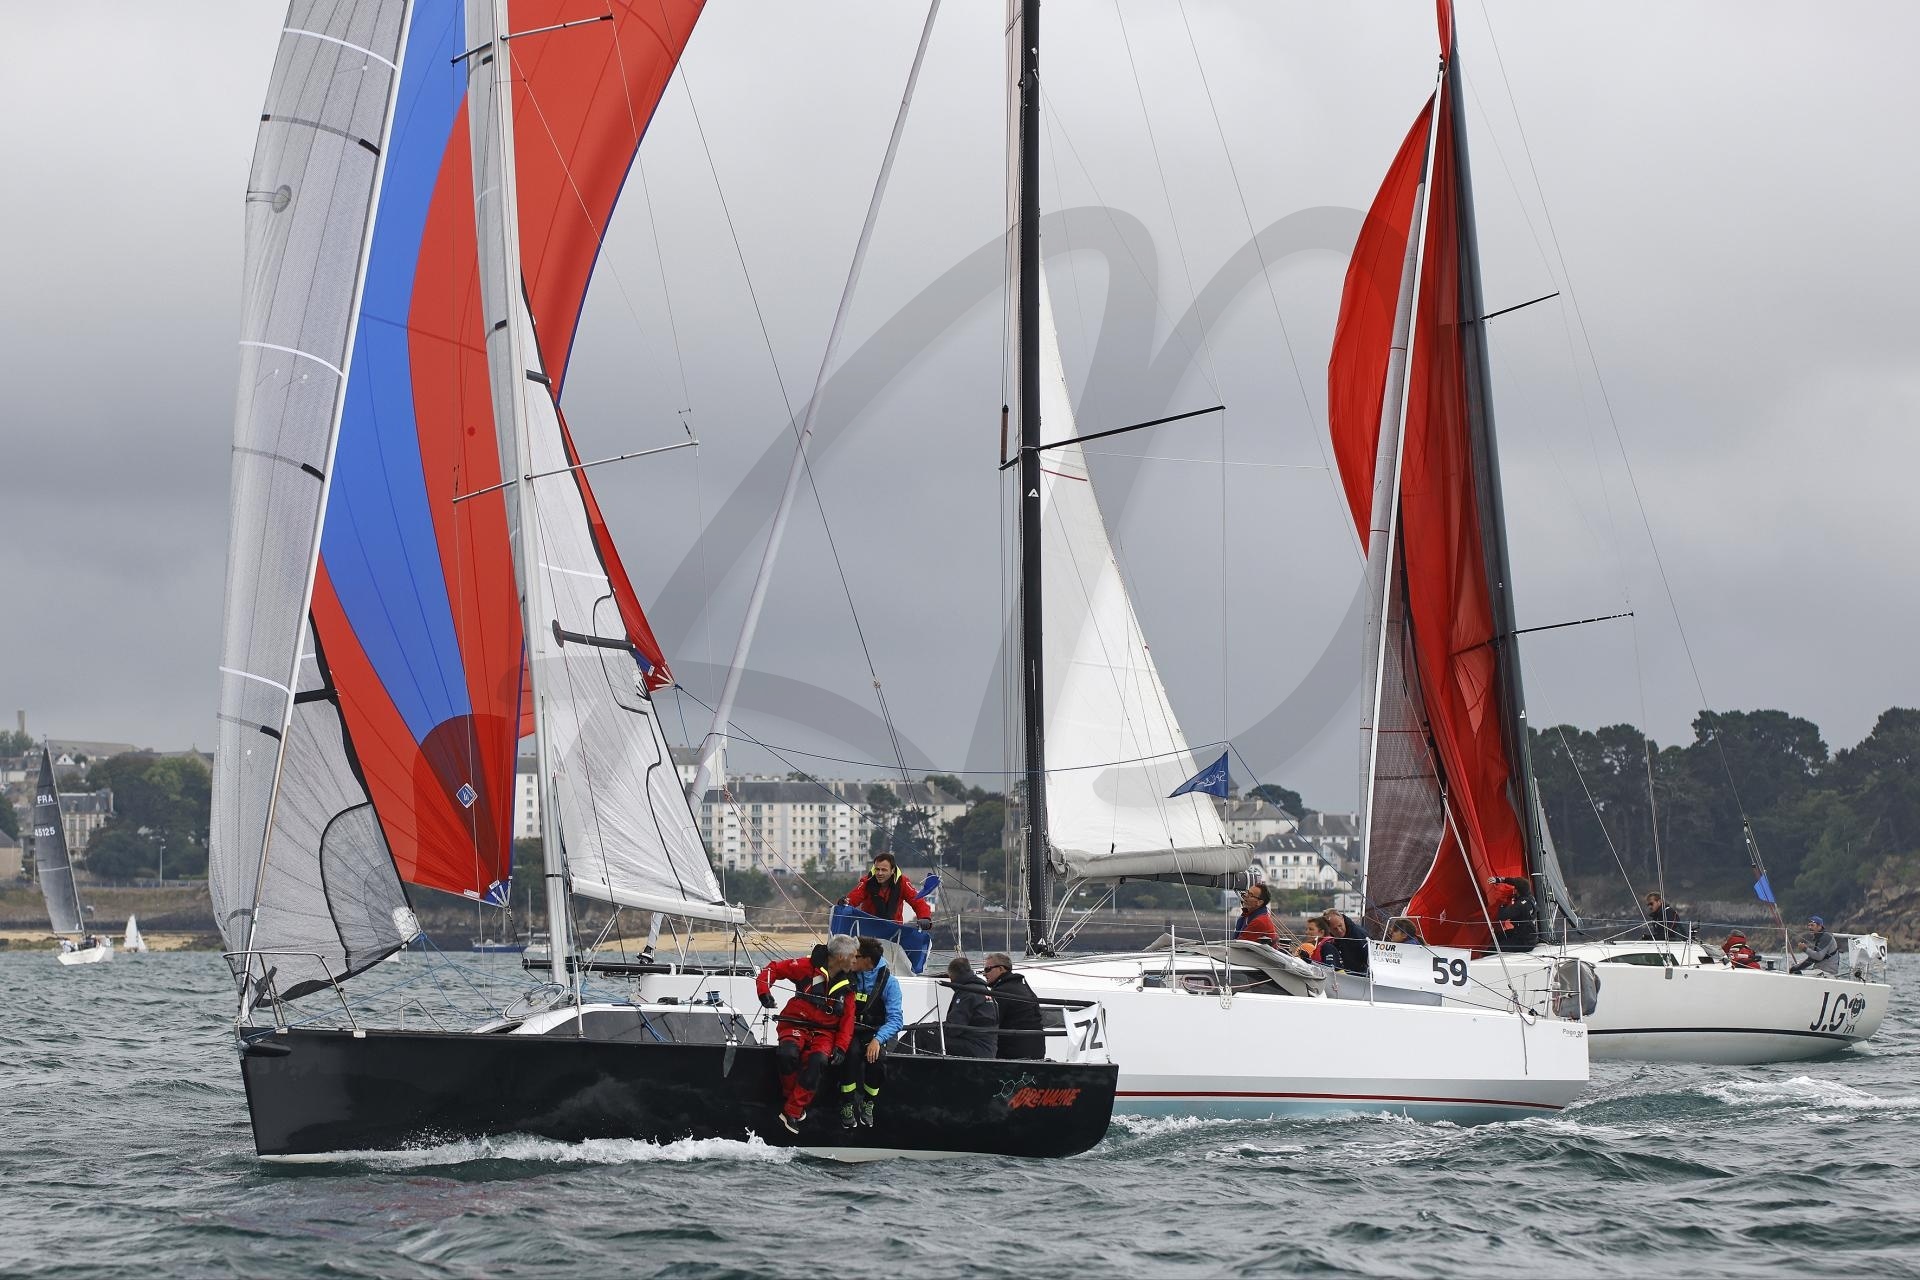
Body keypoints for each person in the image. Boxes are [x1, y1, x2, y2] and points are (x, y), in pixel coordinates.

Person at [754, 934, 857, 1133]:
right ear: (840, 957)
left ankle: (792, 1110)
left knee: (818, 1061)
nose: (855, 961)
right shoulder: (805, 967)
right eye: (853, 956)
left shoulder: (849, 986)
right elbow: (773, 968)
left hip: (825, 1033)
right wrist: (763, 992)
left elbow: (848, 1021)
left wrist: (841, 1048)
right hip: (795, 1023)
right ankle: (791, 1098)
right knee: (787, 1054)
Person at [837, 936, 904, 1129]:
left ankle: (868, 1102)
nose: (851, 959)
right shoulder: (848, 974)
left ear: (867, 960)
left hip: (875, 1031)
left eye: (855, 956)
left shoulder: (890, 983)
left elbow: (896, 1019)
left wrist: (878, 1039)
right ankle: (847, 1103)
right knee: (849, 1054)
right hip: (850, 1029)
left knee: (877, 1059)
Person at [982, 953, 1045, 1059]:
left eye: (988, 969)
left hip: (1013, 1054)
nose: (984, 974)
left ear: (1001, 969)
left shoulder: (1001, 992)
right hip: (1036, 1051)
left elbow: (990, 1022)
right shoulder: (1024, 987)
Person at [842, 852, 933, 923]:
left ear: (892, 870)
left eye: (884, 870)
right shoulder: (867, 882)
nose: (879, 873)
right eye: (877, 869)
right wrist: (844, 902)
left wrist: (925, 917)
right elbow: (853, 898)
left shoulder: (903, 882)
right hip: (868, 929)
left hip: (894, 931)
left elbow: (917, 901)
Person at [940, 956, 1000, 1057]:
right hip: (988, 1048)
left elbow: (953, 1029)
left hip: (974, 1047)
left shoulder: (967, 993)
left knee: (923, 1034)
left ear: (953, 976)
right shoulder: (984, 990)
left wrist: (935, 1028)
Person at [1491, 877, 1540, 952]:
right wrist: (1501, 880)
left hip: (1524, 942)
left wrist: (1503, 903)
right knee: (1497, 936)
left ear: (1517, 890)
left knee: (1493, 948)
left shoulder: (1521, 905)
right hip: (1527, 935)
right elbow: (1517, 882)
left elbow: (1502, 916)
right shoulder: (1530, 897)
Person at [1320, 909, 1370, 975]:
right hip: (1342, 973)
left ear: (1342, 919)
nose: (1339, 930)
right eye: (1335, 929)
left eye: (1340, 925)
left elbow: (1370, 959)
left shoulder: (1359, 934)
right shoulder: (1328, 940)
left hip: (1360, 975)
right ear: (1329, 929)